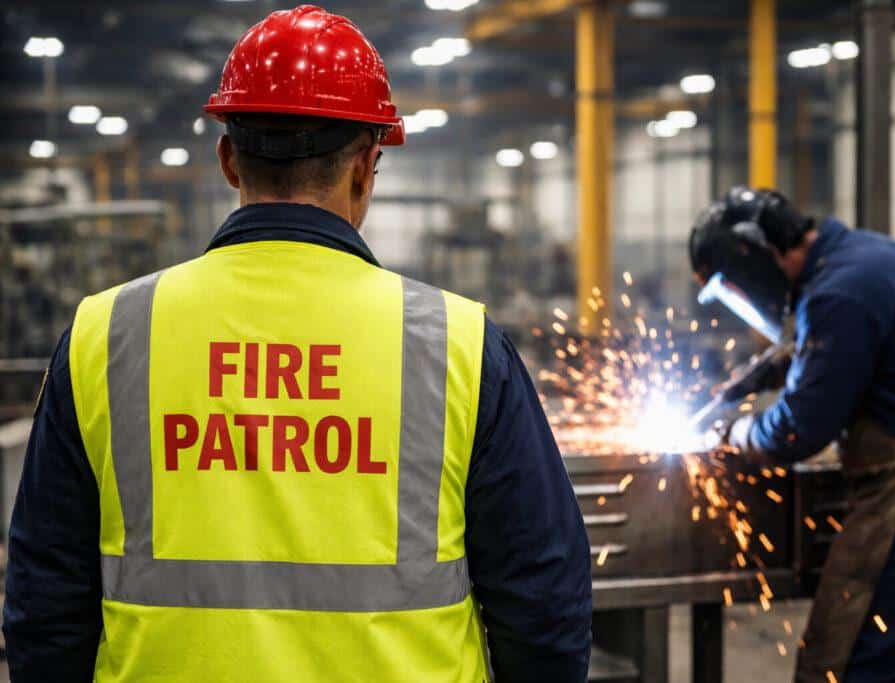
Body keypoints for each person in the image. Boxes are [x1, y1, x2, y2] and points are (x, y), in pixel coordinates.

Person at [3, 7, 592, 682]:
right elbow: (543, 604)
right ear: (368, 167)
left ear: (229, 159)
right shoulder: (459, 345)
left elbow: (44, 605)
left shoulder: (103, 337)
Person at [690, 186, 895, 682]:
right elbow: (847, 350)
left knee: (843, 667)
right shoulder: (867, 256)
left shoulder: (837, 293)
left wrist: (736, 431)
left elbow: (795, 432)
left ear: (752, 260)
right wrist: (757, 376)